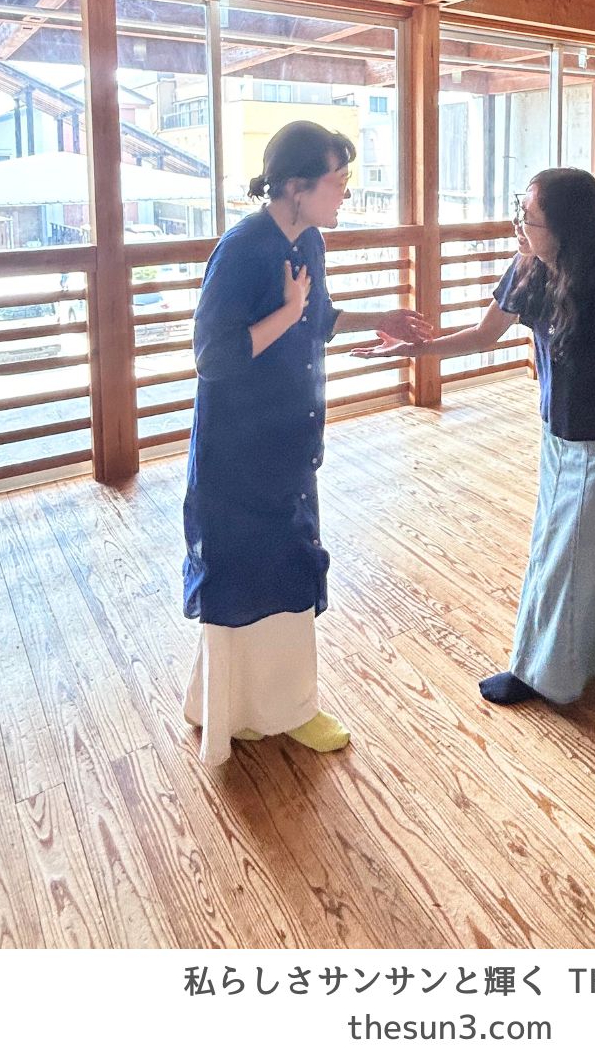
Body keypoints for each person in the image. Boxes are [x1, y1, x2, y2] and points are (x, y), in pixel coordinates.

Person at [355, 167, 595, 708]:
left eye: (529, 218)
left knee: (585, 557)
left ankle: (545, 672)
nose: (519, 225)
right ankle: (579, 665)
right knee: (560, 548)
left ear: (564, 228)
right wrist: (414, 351)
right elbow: (483, 334)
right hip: (558, 436)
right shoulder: (528, 269)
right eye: (521, 212)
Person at [182, 120, 433, 766]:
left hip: (289, 436)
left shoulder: (309, 240)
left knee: (288, 572)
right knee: (240, 577)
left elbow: (316, 318)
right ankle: (232, 710)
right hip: (238, 448)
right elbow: (214, 357)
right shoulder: (242, 249)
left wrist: (377, 318)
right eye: (338, 181)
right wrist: (288, 313)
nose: (346, 192)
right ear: (296, 187)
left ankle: (286, 709)